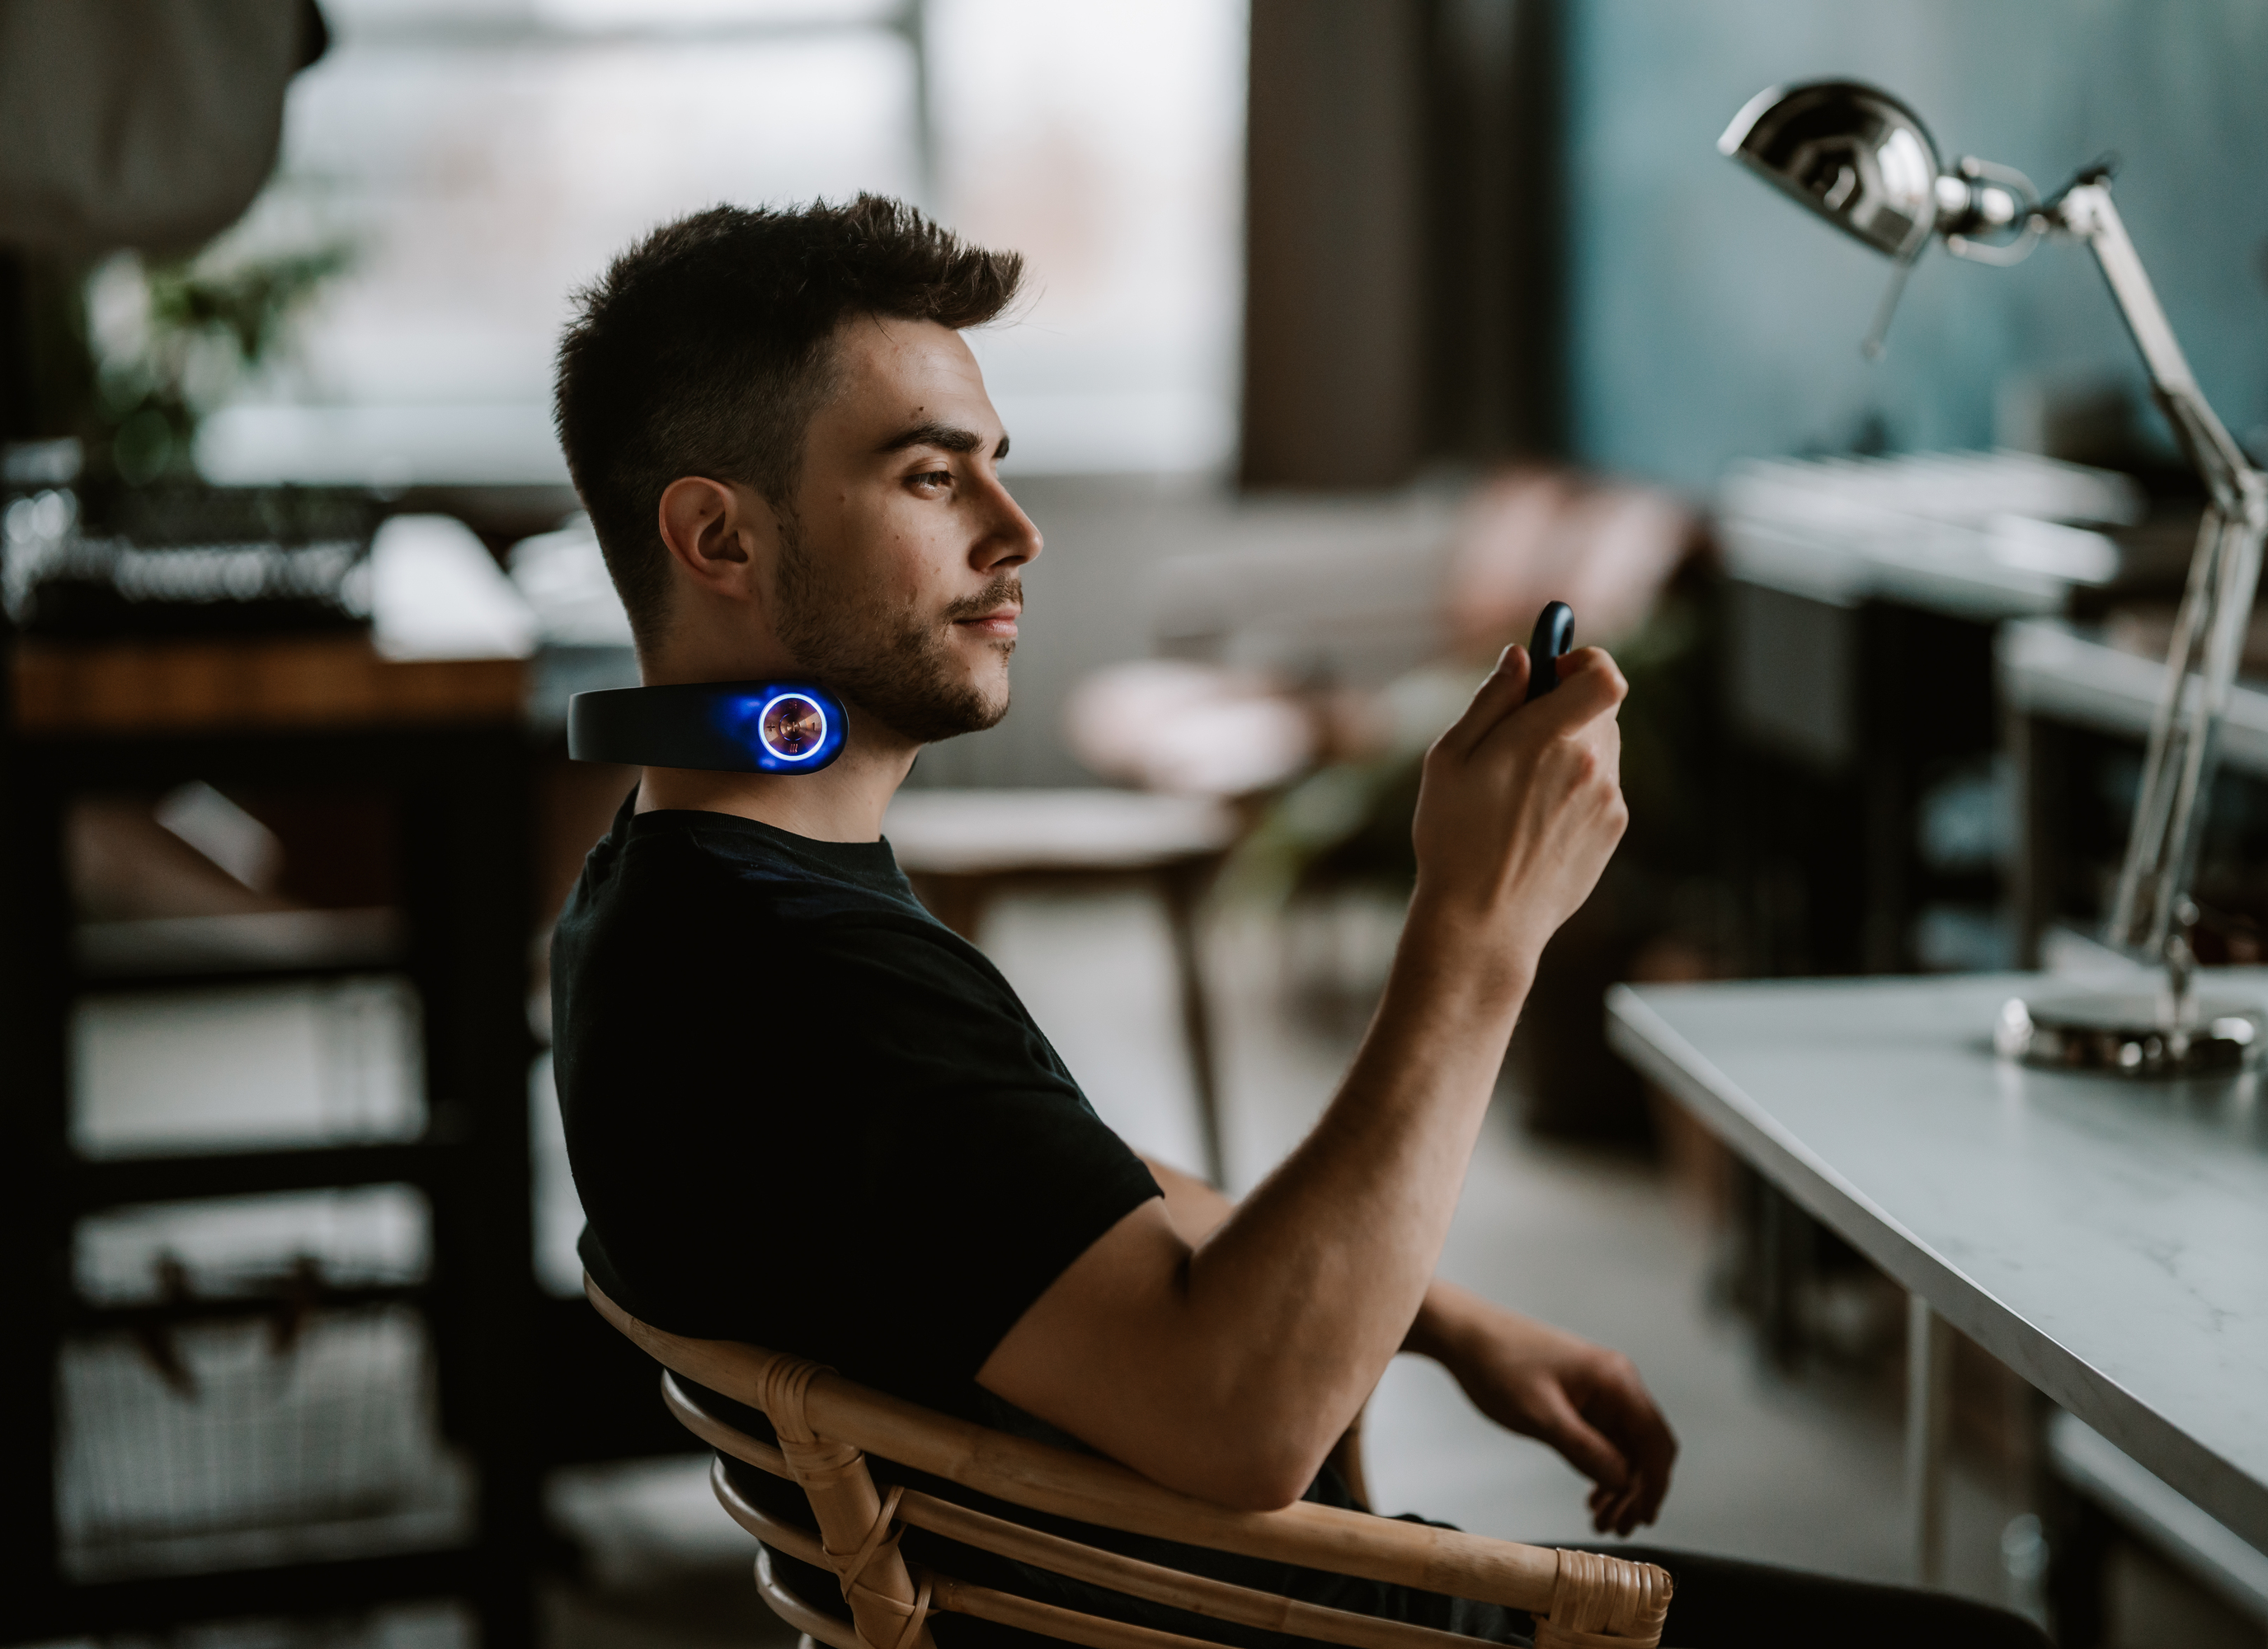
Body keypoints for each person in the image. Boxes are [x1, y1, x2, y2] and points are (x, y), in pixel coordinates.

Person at [548, 195, 2048, 1649]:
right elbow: (1242, 1415)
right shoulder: (798, 977)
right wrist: (1478, 932)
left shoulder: (665, 894)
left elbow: (1004, 1179)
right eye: (932, 478)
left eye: (996, 467)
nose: (1018, 533)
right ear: (720, 540)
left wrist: (1434, 1312)